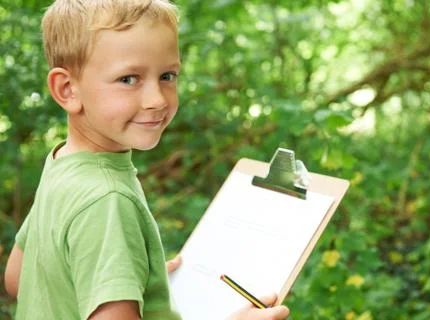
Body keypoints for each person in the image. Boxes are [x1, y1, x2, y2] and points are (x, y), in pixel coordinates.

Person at [2, 0, 290, 319]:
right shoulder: (107, 199)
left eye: (167, 76)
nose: (156, 100)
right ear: (68, 89)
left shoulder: (62, 163)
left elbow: (18, 278)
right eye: (129, 79)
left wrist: (130, 280)